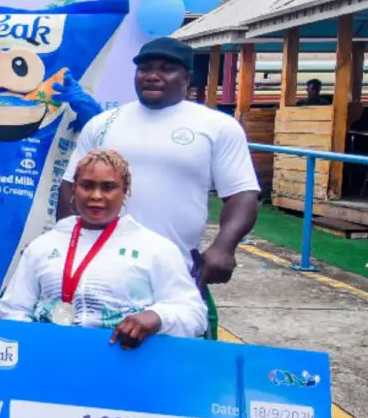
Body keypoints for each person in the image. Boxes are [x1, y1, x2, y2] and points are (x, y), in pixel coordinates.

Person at [58, 37, 259, 340]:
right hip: (100, 272)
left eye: (166, 69)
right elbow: (70, 187)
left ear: (187, 78)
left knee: (183, 359)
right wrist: (64, 244)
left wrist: (224, 246)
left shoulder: (217, 126)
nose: (152, 75)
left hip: (176, 275)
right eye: (145, 68)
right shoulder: (103, 124)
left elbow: (243, 194)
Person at [0, 148, 207, 340]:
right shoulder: (43, 246)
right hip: (51, 358)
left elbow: (193, 313)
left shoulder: (155, 249)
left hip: (127, 360)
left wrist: (156, 318)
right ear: (74, 188)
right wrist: (36, 341)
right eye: (87, 185)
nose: (96, 196)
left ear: (125, 190)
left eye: (108, 187)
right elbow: (13, 308)